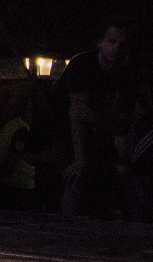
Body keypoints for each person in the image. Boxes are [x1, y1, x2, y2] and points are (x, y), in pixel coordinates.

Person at [53, 18, 135, 217]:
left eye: (122, 44)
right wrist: (80, 158)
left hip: (97, 132)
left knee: (110, 180)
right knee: (78, 177)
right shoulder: (83, 65)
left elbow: (123, 121)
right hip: (63, 131)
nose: (116, 49)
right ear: (100, 43)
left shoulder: (125, 74)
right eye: (111, 42)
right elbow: (77, 113)